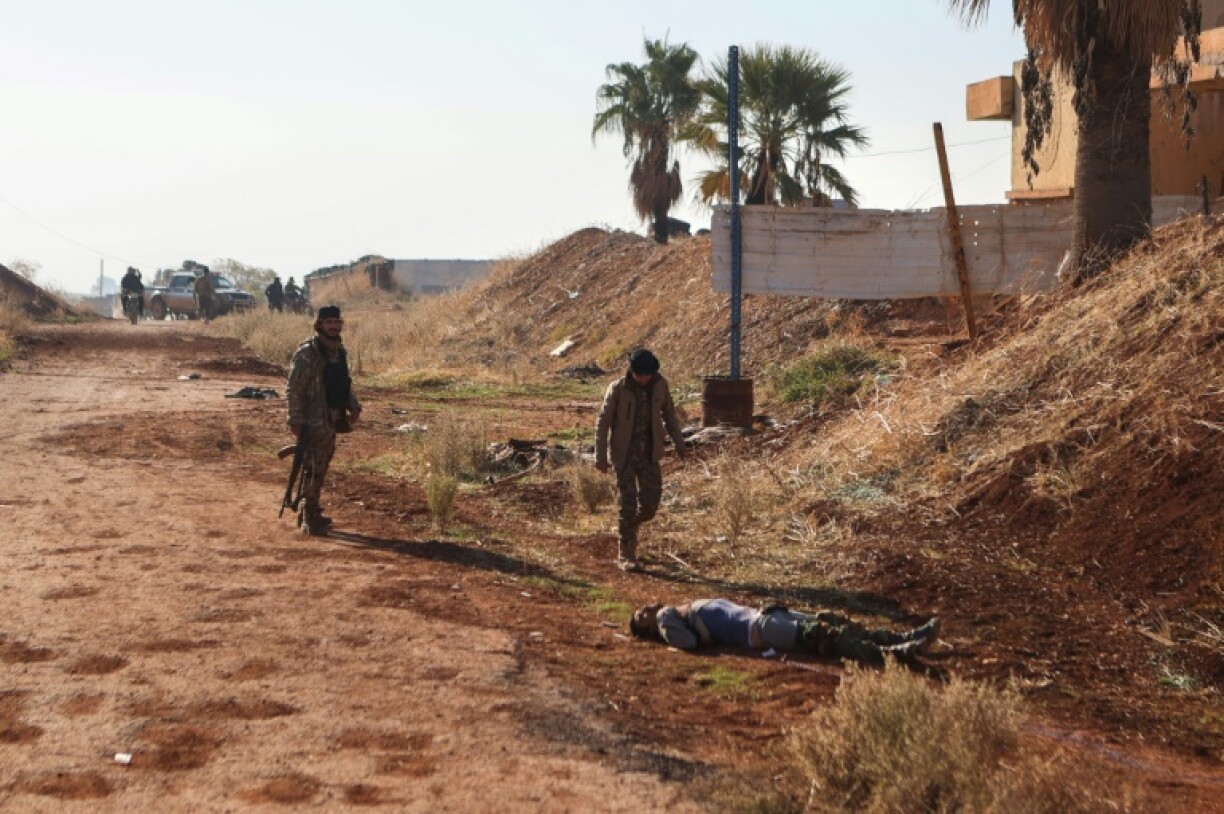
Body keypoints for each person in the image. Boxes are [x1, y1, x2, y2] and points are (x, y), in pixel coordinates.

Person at [629, 599, 941, 667]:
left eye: (640, 610)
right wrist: (663, 618)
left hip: (767, 615)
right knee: (825, 637)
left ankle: (901, 638)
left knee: (834, 623)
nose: (644, 609)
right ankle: (895, 655)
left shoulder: (681, 614)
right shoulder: (671, 624)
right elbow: (688, 643)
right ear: (653, 629)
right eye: (641, 617)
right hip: (760, 629)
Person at [595, 348, 686, 571]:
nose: (643, 378)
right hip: (624, 455)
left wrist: (679, 443)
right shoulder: (618, 388)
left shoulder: (660, 385)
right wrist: (600, 456)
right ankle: (626, 552)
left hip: (650, 454)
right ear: (632, 371)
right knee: (627, 503)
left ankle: (630, 527)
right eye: (639, 375)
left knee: (650, 505)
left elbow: (669, 415)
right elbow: (603, 422)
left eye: (647, 375)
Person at [286, 304, 362, 535]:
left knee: (321, 466)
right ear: (319, 325)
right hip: (312, 420)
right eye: (329, 322)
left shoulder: (339, 351)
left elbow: (342, 383)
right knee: (312, 468)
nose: (333, 326)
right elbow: (294, 389)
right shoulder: (308, 352)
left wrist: (353, 405)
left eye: (337, 322)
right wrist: (295, 420)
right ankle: (308, 516)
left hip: (332, 419)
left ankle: (312, 510)